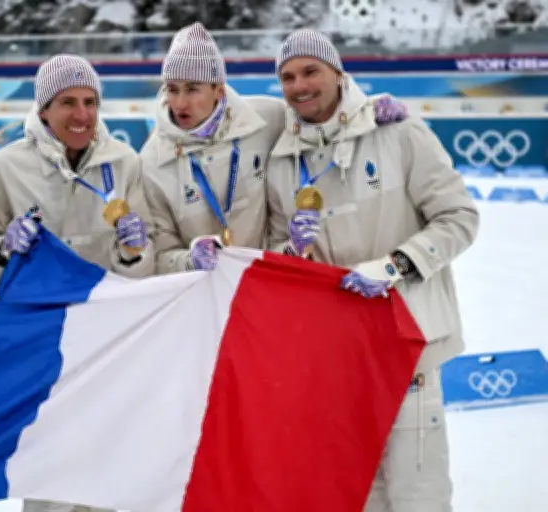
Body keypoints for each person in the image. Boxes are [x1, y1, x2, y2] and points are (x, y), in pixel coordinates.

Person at [266, 29, 479, 511]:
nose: (300, 85)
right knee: (358, 494)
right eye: (287, 77)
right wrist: (292, 250)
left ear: (338, 73)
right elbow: (280, 257)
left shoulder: (398, 132)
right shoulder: (281, 161)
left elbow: (459, 218)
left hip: (406, 346)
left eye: (311, 71)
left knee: (418, 494)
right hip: (335, 354)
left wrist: (395, 265)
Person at [0, 53, 154, 512]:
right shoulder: (3, 169)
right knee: (52, 481)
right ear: (44, 108)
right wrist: (3, 250)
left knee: (109, 477)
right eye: (68, 102)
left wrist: (134, 250)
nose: (82, 114)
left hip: (109, 347)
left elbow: (141, 269)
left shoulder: (124, 163)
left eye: (90, 102)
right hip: (44, 350)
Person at [140, 22, 286, 273]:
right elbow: (159, 255)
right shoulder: (151, 161)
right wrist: (189, 259)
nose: (180, 103)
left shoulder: (269, 118)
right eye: (172, 90)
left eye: (192, 89)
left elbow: (324, 122)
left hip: (266, 280)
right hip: (206, 290)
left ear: (218, 90)